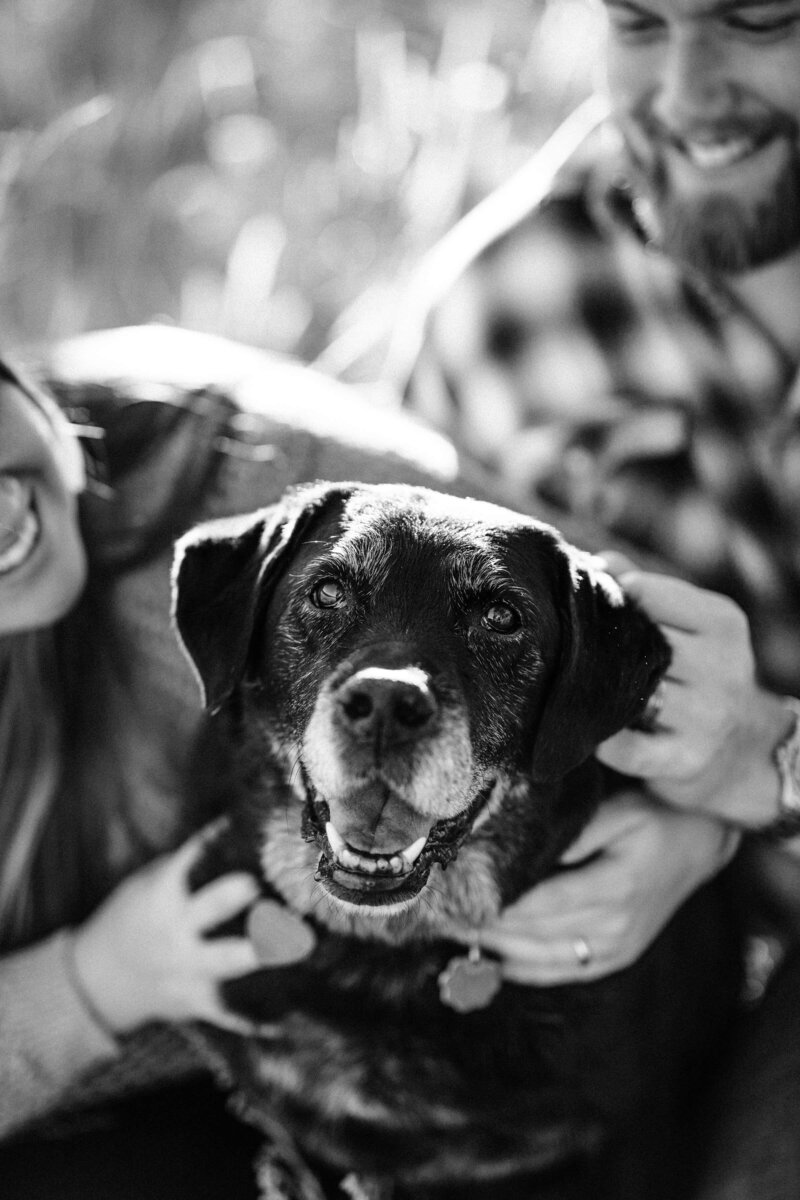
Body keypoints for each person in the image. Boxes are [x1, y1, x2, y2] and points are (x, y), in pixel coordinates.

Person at [393, 0, 800, 1194]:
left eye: (757, 19)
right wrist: (692, 823)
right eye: (636, 21)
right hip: (690, 966)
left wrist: (762, 764)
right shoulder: (497, 314)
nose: (683, 86)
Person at [0, 323, 469, 1198]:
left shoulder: (226, 456)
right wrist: (91, 981)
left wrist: (684, 835)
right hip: (109, 1113)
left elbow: (601, 609)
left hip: (425, 1068)